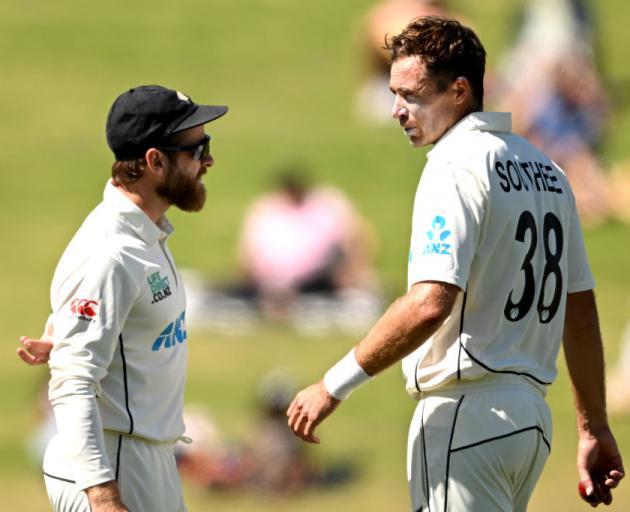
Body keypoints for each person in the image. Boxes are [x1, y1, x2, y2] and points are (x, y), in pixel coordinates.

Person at [287, 16, 624, 511]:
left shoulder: (454, 165)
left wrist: (332, 385)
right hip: (530, 423)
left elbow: (430, 302)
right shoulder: (548, 170)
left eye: (412, 95)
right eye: (394, 94)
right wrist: (593, 424)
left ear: (460, 91)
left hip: (466, 413)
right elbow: (580, 308)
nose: (397, 110)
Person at [16, 85, 227, 512]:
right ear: (154, 161)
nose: (208, 160)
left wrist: (63, 334)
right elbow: (72, 384)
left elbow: (113, 317)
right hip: (111, 466)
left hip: (144, 456)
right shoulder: (110, 252)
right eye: (196, 148)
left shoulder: (145, 233)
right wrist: (104, 498)